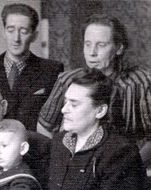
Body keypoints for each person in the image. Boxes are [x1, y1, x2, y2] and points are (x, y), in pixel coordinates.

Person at [16, 69, 147, 190]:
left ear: (100, 111)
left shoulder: (119, 152)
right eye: (66, 101)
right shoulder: (60, 142)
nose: (63, 110)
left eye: (74, 104)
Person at [37, 14, 151, 165]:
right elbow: (44, 126)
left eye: (101, 45)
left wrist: (133, 165)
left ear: (119, 48)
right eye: (87, 44)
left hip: (125, 171)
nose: (92, 52)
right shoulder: (67, 81)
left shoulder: (141, 84)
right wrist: (64, 161)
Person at [0, 3, 63, 131]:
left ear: (34, 36)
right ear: (3, 32)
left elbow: (54, 120)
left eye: (24, 31)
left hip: (34, 146)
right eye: (11, 30)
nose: (16, 38)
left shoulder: (52, 70)